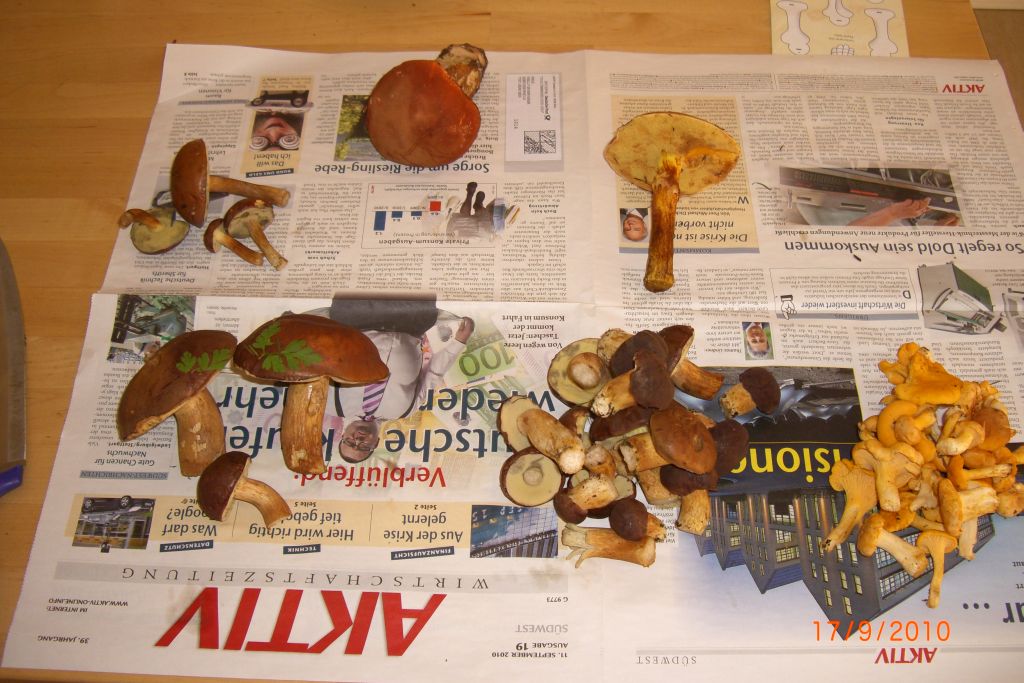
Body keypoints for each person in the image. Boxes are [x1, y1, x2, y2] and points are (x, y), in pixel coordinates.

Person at [306, 297, 475, 464]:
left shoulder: (329, 404)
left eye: (349, 442)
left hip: (357, 319)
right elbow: (433, 374)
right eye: (363, 447)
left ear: (343, 435)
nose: (357, 440)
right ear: (375, 444)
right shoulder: (405, 412)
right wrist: (459, 342)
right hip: (411, 322)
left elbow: (316, 360)